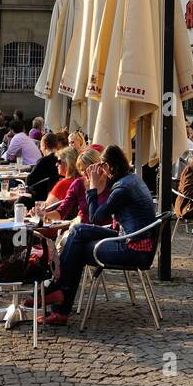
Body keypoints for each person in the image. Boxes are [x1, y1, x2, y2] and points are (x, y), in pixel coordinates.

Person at [42, 145, 158, 326]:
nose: (100, 170)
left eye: (103, 165)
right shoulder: (131, 179)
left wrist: (93, 186)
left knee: (77, 247)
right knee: (77, 231)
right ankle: (59, 297)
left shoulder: (122, 189)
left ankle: (59, 301)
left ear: (110, 166)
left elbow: (95, 217)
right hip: (131, 238)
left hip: (132, 248)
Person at [47, 148, 102, 223]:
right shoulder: (78, 183)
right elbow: (62, 211)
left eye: (88, 169)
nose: (85, 173)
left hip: (103, 229)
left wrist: (93, 187)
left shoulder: (110, 183)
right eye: (82, 170)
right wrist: (43, 215)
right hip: (81, 227)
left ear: (98, 166)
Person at [24, 132, 67, 203]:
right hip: (59, 198)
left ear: (45, 145)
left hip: (41, 198)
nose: (40, 149)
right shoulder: (62, 159)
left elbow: (29, 181)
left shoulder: (43, 161)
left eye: (40, 146)